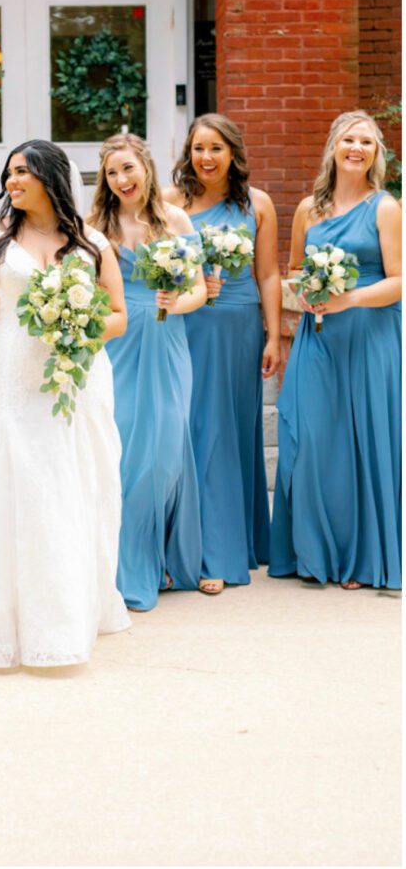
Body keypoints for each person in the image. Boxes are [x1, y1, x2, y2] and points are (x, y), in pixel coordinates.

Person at [0, 139, 131, 668]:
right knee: (9, 490)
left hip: (72, 382)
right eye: (8, 172)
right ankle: (2, 621)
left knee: (64, 488)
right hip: (8, 378)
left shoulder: (92, 242)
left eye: (23, 171)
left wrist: (77, 327)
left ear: (51, 177)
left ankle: (65, 617)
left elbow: (118, 314)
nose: (12, 181)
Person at [269, 111, 401, 589]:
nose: (357, 148)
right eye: (349, 138)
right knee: (312, 438)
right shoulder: (309, 208)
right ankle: (315, 550)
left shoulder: (386, 207)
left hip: (370, 336)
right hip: (319, 336)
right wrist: (306, 293)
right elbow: (295, 270)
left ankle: (361, 559)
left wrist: (351, 298)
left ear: (375, 153)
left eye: (367, 141)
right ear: (333, 146)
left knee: (362, 442)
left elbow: (398, 281)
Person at [87, 133, 206, 610]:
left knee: (162, 454)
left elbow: (200, 289)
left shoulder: (174, 220)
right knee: (121, 453)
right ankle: (122, 567)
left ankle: (162, 556)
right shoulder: (96, 224)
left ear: (146, 168)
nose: (121, 180)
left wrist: (179, 301)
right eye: (113, 173)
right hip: (117, 345)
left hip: (166, 340)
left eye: (128, 169)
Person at [164, 114, 280, 594]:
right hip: (187, 325)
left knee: (227, 433)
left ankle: (226, 547)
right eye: (198, 148)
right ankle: (192, 548)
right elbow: (154, 264)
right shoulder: (172, 202)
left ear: (233, 152)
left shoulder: (259, 204)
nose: (206, 158)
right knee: (191, 433)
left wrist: (274, 335)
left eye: (215, 148)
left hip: (236, 326)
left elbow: (268, 273)